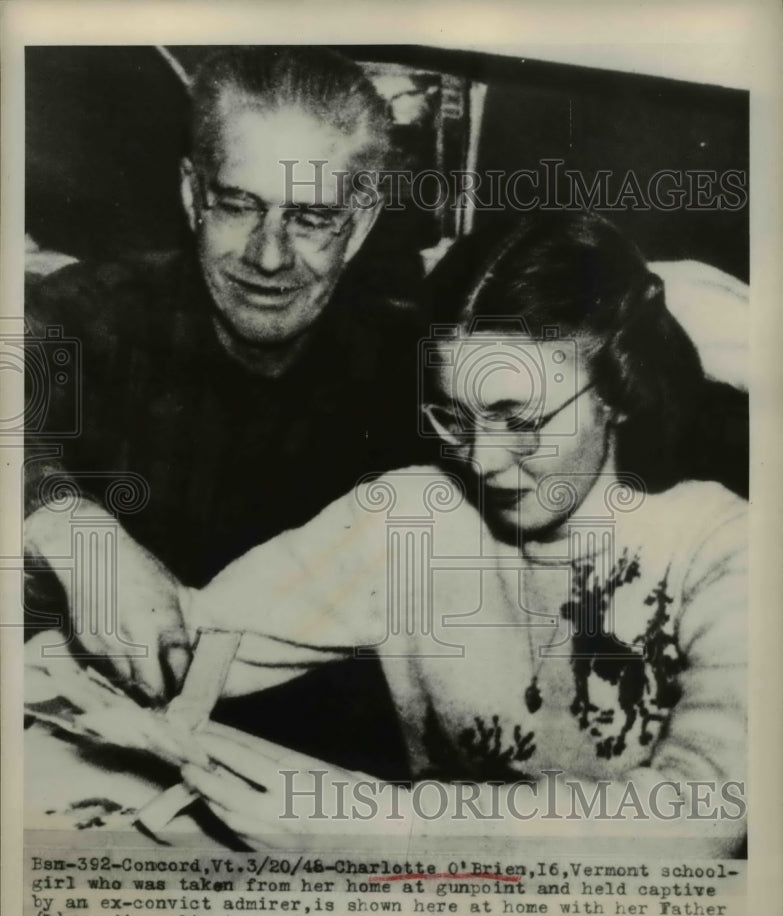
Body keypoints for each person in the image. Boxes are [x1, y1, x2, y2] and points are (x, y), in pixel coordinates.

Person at [177, 211, 747, 854]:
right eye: (454, 419)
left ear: (618, 384)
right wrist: (116, 592)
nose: (482, 460)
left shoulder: (731, 551)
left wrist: (384, 824)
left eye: (519, 419)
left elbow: (707, 814)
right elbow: (196, 643)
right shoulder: (414, 517)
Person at [24, 46, 432, 774]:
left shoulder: (415, 362)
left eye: (310, 217)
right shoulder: (89, 313)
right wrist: (77, 533)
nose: (268, 257)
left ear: (361, 220)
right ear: (192, 195)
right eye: (239, 205)